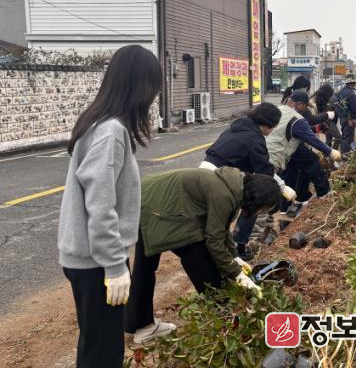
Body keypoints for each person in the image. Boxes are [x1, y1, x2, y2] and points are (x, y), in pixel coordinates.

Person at [57, 45, 162, 367]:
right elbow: (100, 206)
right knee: (103, 353)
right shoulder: (111, 132)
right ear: (140, 86)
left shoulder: (98, 123)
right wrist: (116, 267)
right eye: (153, 87)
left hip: (90, 259)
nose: (153, 97)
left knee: (96, 345)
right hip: (97, 264)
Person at [125, 168, 279, 342]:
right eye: (263, 209)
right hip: (155, 207)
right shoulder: (224, 195)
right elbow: (213, 239)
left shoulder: (234, 186)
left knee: (146, 268)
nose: (260, 213)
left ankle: (142, 326)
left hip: (150, 199)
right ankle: (223, 317)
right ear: (257, 200)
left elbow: (221, 228)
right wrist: (236, 273)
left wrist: (234, 257)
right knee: (198, 257)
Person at [199, 103, 293, 261]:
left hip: (202, 171)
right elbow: (265, 171)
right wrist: (282, 187)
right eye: (273, 128)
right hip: (218, 179)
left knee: (209, 217)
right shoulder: (255, 139)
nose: (271, 132)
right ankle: (237, 247)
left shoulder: (237, 127)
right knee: (254, 201)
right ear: (268, 124)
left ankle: (228, 246)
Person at [284, 90, 336, 205]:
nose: (306, 108)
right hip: (290, 146)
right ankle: (324, 193)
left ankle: (293, 202)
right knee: (313, 162)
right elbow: (310, 137)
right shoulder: (295, 116)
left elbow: (299, 130)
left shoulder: (284, 110)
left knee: (295, 172)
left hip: (287, 147)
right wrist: (330, 151)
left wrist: (315, 129)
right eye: (305, 106)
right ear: (299, 104)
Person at [311, 83, 341, 148]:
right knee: (338, 138)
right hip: (327, 121)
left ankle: (327, 152)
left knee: (329, 138)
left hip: (323, 120)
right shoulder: (317, 99)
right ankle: (333, 152)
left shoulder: (320, 97)